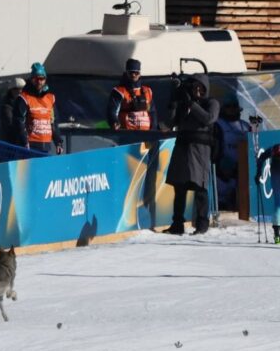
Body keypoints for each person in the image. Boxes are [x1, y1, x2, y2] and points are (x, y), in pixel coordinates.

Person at [164, 73, 220, 235]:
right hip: (182, 149)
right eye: (194, 87)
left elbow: (208, 119)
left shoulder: (212, 103)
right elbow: (170, 123)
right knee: (179, 188)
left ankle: (202, 224)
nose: (197, 90)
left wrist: (192, 105)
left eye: (200, 87)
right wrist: (175, 102)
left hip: (200, 151)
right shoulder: (184, 104)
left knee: (200, 188)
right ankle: (177, 224)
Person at [13, 63, 63, 154]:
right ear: (32, 79)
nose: (39, 82)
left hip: (46, 145)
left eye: (42, 78)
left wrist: (58, 142)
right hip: (30, 145)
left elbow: (53, 122)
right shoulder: (24, 98)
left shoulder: (50, 98)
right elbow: (19, 121)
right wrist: (24, 141)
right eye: (36, 78)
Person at [213, 94, 251, 211]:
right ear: (223, 108)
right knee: (223, 204)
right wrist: (221, 169)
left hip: (243, 173)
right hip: (223, 175)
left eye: (234, 106)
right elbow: (215, 150)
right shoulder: (217, 125)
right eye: (228, 106)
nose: (232, 109)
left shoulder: (246, 126)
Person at [107, 59, 156, 131]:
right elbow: (111, 112)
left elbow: (152, 112)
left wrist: (153, 129)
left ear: (140, 74)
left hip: (146, 133)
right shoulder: (119, 91)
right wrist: (114, 122)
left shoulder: (147, 91)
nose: (133, 75)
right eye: (131, 73)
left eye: (136, 73)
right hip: (127, 134)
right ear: (126, 73)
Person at [0, 78, 25, 144]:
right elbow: (10, 126)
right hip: (15, 144)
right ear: (11, 91)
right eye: (16, 89)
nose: (20, 91)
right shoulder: (7, 107)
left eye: (22, 89)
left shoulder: (26, 103)